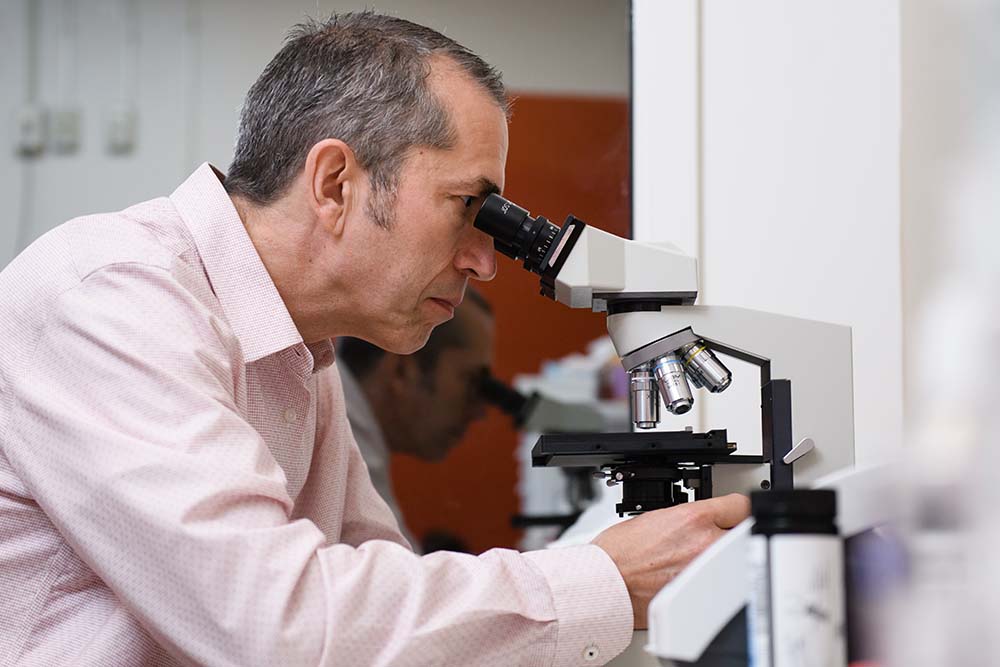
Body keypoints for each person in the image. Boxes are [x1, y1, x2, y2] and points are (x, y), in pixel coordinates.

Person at [0, 12, 749, 666]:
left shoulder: (302, 351)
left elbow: (383, 607)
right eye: (467, 206)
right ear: (334, 183)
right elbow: (281, 628)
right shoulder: (108, 297)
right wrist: (603, 581)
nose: (485, 260)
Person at [337, 290, 495, 550]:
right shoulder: (347, 442)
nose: (479, 411)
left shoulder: (352, 422)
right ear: (403, 370)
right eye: (470, 381)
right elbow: (395, 580)